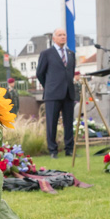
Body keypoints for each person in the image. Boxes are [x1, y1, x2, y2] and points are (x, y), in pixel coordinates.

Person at [35, 28, 76, 158]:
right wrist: (48, 85)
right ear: (54, 38)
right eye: (60, 35)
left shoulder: (71, 54)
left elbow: (71, 72)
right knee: (52, 123)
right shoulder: (46, 53)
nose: (63, 37)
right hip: (52, 93)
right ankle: (53, 150)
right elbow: (40, 73)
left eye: (64, 35)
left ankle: (69, 149)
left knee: (69, 123)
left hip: (68, 93)